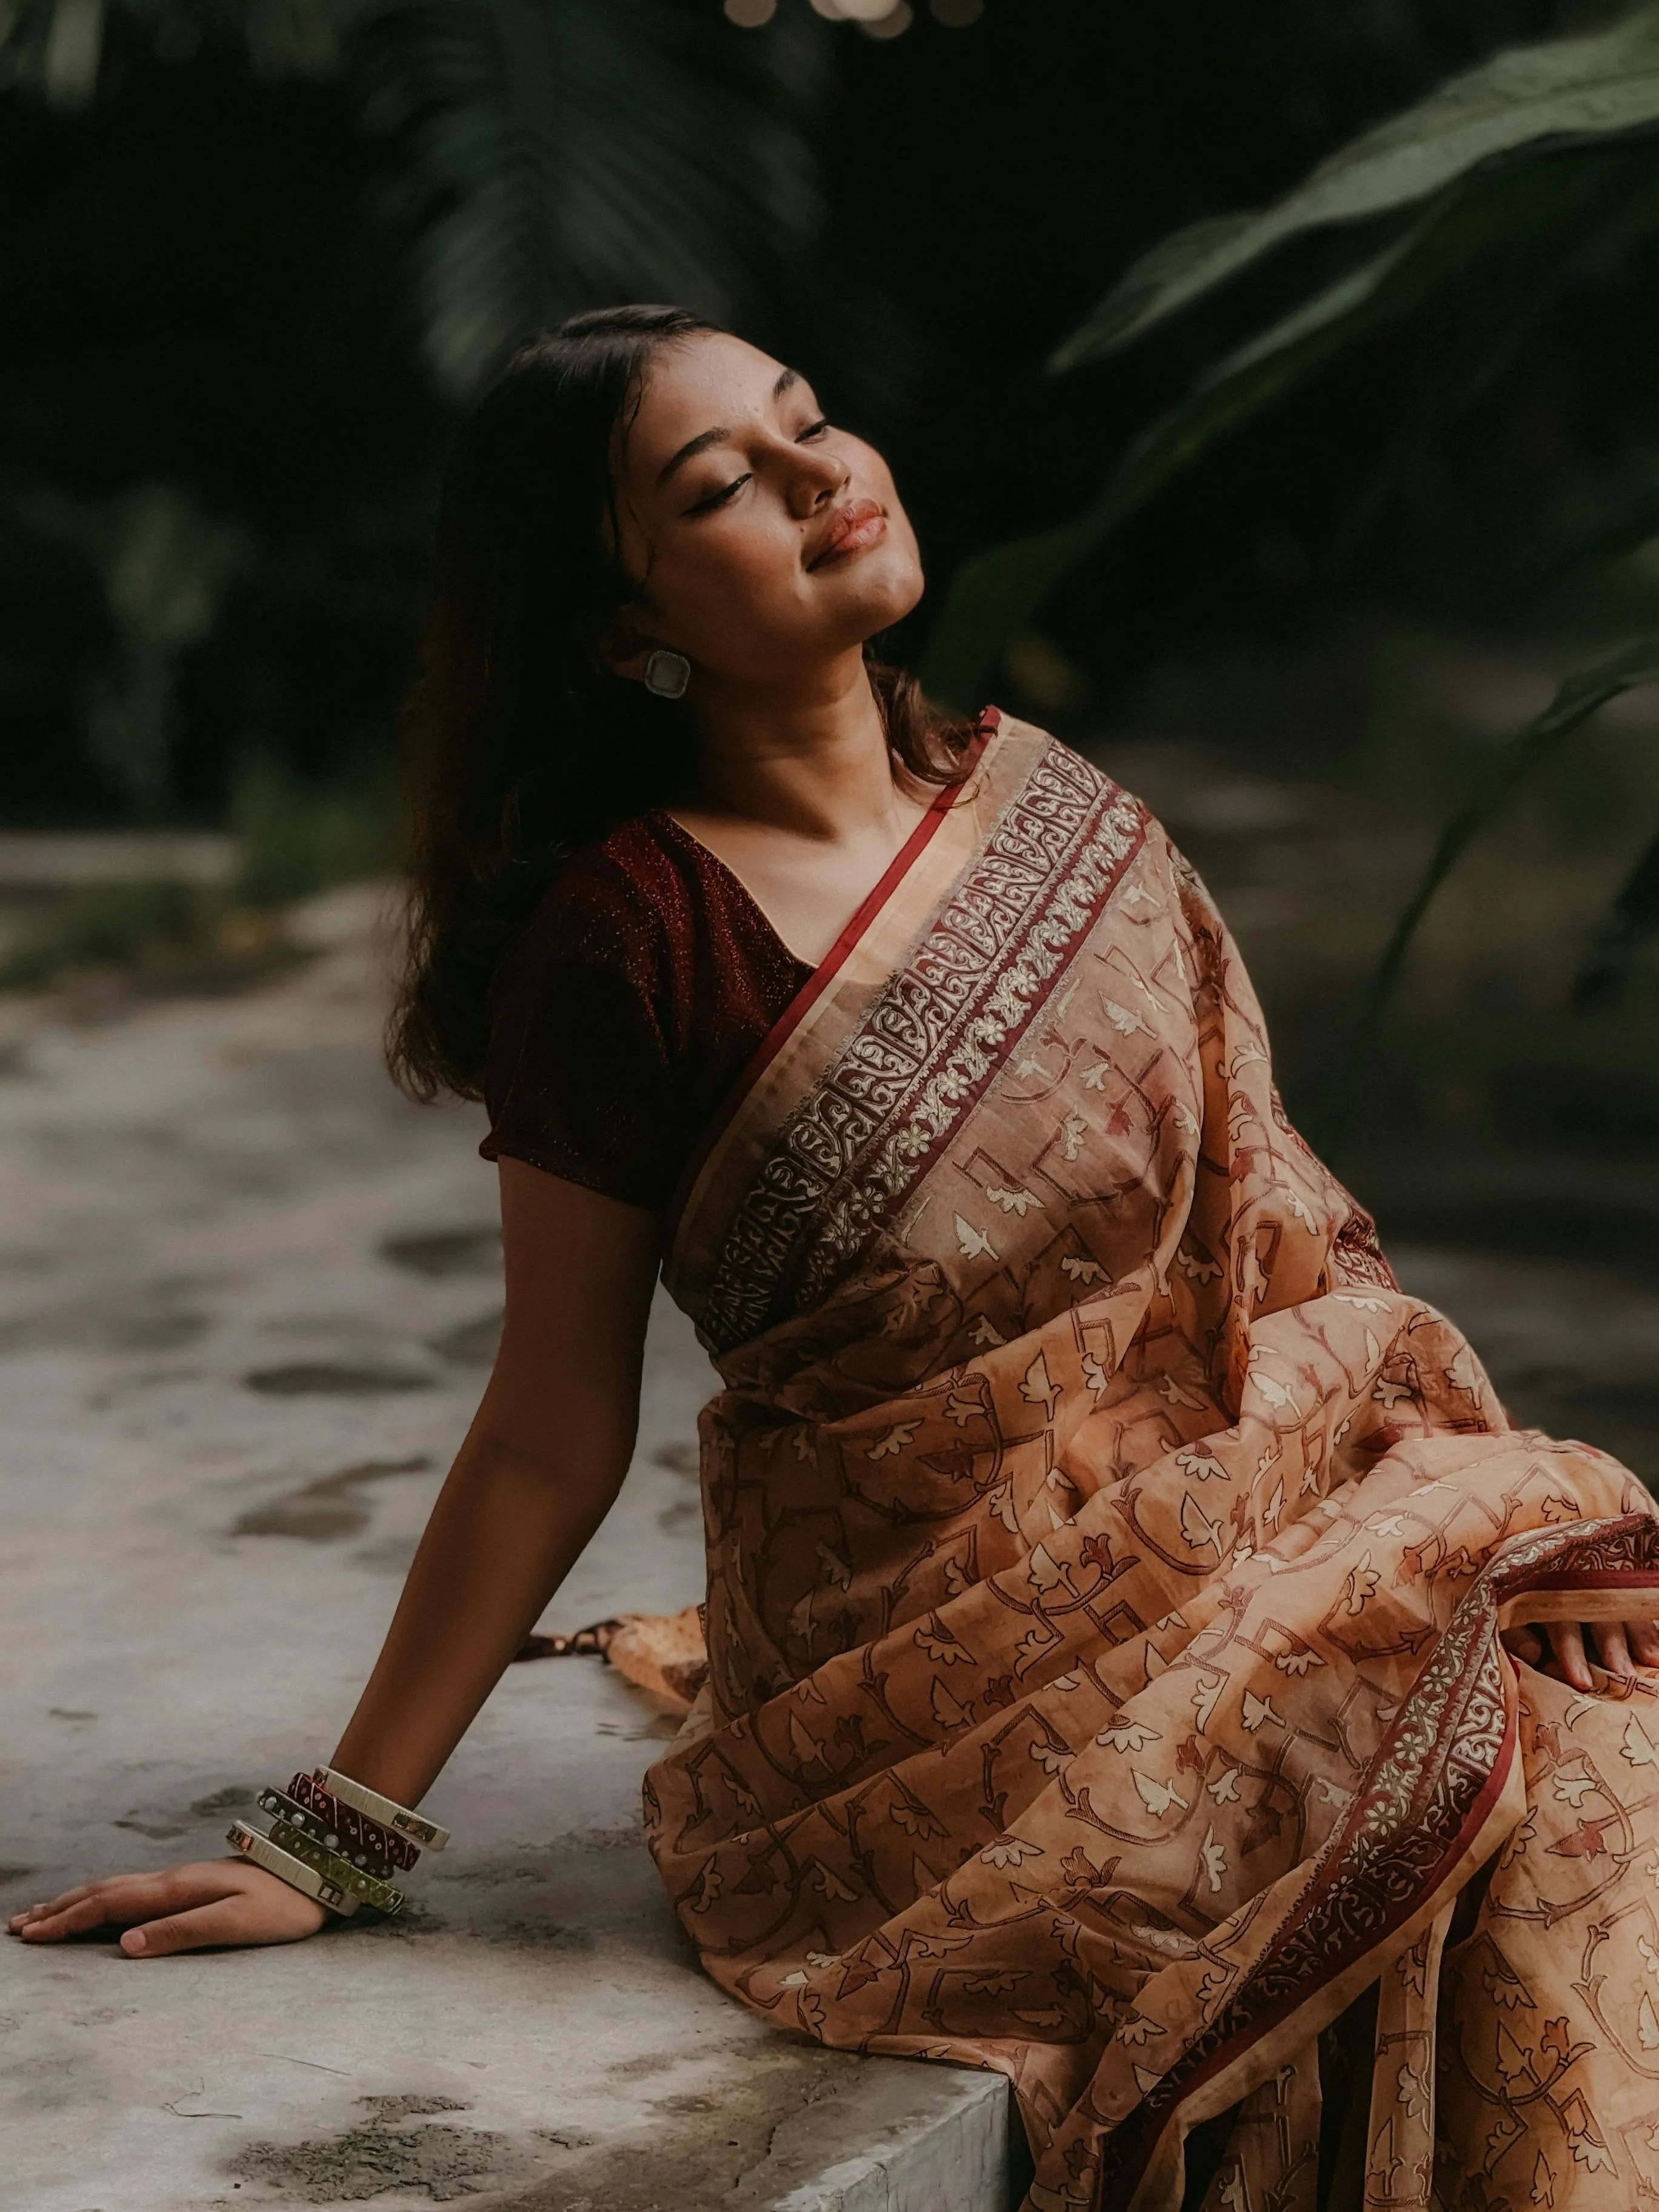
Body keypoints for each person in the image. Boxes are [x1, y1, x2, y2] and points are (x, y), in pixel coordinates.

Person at [13, 305, 1659, 2212]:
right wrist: (334, 1835)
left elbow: (1288, 1245)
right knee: (1570, 1809)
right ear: (621, 627)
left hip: (1236, 1517)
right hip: (933, 1668)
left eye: (809, 422)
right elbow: (550, 1424)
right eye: (721, 482)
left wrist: (1498, 1527)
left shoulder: (1059, 814)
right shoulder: (632, 951)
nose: (819, 474)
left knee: (1596, 1707)